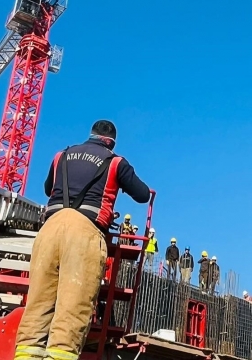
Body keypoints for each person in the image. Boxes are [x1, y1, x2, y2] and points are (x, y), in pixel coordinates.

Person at [14, 120, 150, 360]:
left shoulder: (61, 155)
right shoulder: (115, 161)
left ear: (91, 135)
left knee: (37, 304)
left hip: (49, 230)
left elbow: (49, 189)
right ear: (111, 142)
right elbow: (142, 195)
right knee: (72, 307)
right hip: (84, 232)